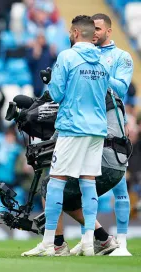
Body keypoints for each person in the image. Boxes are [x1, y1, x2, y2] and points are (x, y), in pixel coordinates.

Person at [22, 15, 110, 257]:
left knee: (55, 183)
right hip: (97, 129)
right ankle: (90, 242)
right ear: (92, 34)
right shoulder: (103, 61)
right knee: (87, 182)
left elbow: (57, 93)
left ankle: (51, 242)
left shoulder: (67, 56)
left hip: (73, 127)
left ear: (73, 33)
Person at [30, 88, 128, 257]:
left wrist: (50, 142)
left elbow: (73, 124)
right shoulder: (111, 94)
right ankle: (103, 239)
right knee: (68, 199)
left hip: (103, 159)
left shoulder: (87, 92)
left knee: (51, 186)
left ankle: (57, 244)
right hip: (118, 163)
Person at [89, 13, 134, 257]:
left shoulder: (121, 57)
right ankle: (89, 239)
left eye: (98, 28)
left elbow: (122, 88)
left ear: (109, 30)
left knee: (119, 186)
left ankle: (123, 242)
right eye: (91, 28)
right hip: (85, 126)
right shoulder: (83, 54)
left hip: (112, 125)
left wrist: (97, 70)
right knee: (86, 184)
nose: (94, 32)